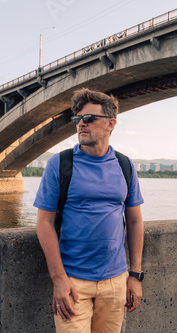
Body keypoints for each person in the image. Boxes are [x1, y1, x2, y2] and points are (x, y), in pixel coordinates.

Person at [34, 88, 145, 332]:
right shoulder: (60, 164)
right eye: (77, 119)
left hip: (116, 282)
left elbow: (135, 222)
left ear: (110, 124)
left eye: (89, 118)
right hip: (73, 283)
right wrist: (59, 279)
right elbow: (44, 223)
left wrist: (134, 276)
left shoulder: (125, 166)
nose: (81, 124)